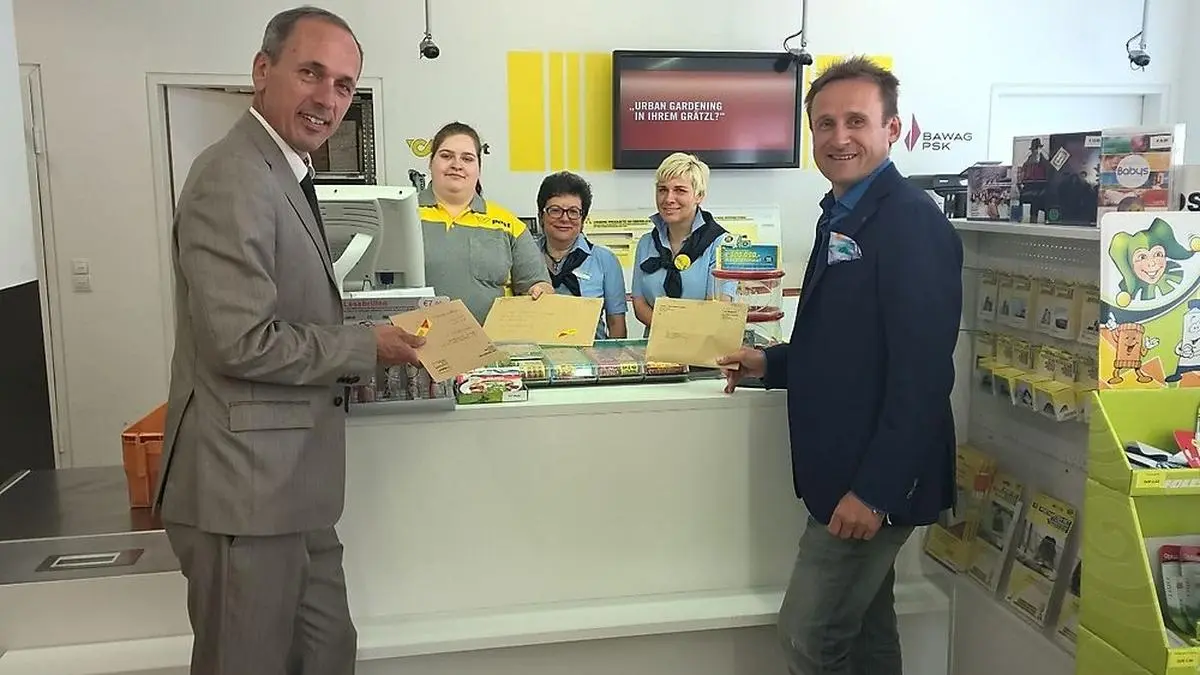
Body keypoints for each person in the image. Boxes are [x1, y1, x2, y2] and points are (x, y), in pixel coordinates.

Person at [153, 7, 425, 673]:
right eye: (311, 73)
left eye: (342, 85)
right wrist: (368, 345)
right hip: (243, 490)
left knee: (328, 652)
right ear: (262, 71)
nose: (327, 98)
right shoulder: (232, 174)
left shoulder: (286, 172)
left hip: (292, 489)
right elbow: (241, 341)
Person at [717, 56, 962, 675]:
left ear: (892, 129)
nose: (838, 136)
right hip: (840, 473)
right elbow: (845, 346)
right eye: (824, 124)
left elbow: (923, 375)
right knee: (864, 633)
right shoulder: (841, 213)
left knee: (809, 635)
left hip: (870, 482)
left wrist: (875, 491)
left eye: (856, 120)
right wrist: (768, 363)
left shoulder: (909, 222)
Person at [419, 121, 553, 323]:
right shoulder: (400, 215)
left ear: (478, 168)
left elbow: (538, 284)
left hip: (491, 350)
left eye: (467, 158)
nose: (457, 165)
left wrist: (540, 291)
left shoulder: (508, 224)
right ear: (430, 163)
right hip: (412, 349)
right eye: (446, 156)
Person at [631, 152, 736, 331]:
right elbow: (640, 305)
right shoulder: (646, 243)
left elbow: (717, 307)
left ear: (699, 195)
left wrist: (680, 336)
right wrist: (668, 332)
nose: (668, 199)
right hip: (656, 350)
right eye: (662, 189)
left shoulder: (721, 245)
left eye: (680, 190)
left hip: (702, 350)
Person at [536, 171, 628, 339]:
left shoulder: (605, 260)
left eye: (573, 211)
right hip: (537, 360)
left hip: (592, 358)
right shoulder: (525, 255)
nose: (564, 218)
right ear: (541, 216)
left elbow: (616, 324)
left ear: (583, 218)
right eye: (555, 210)